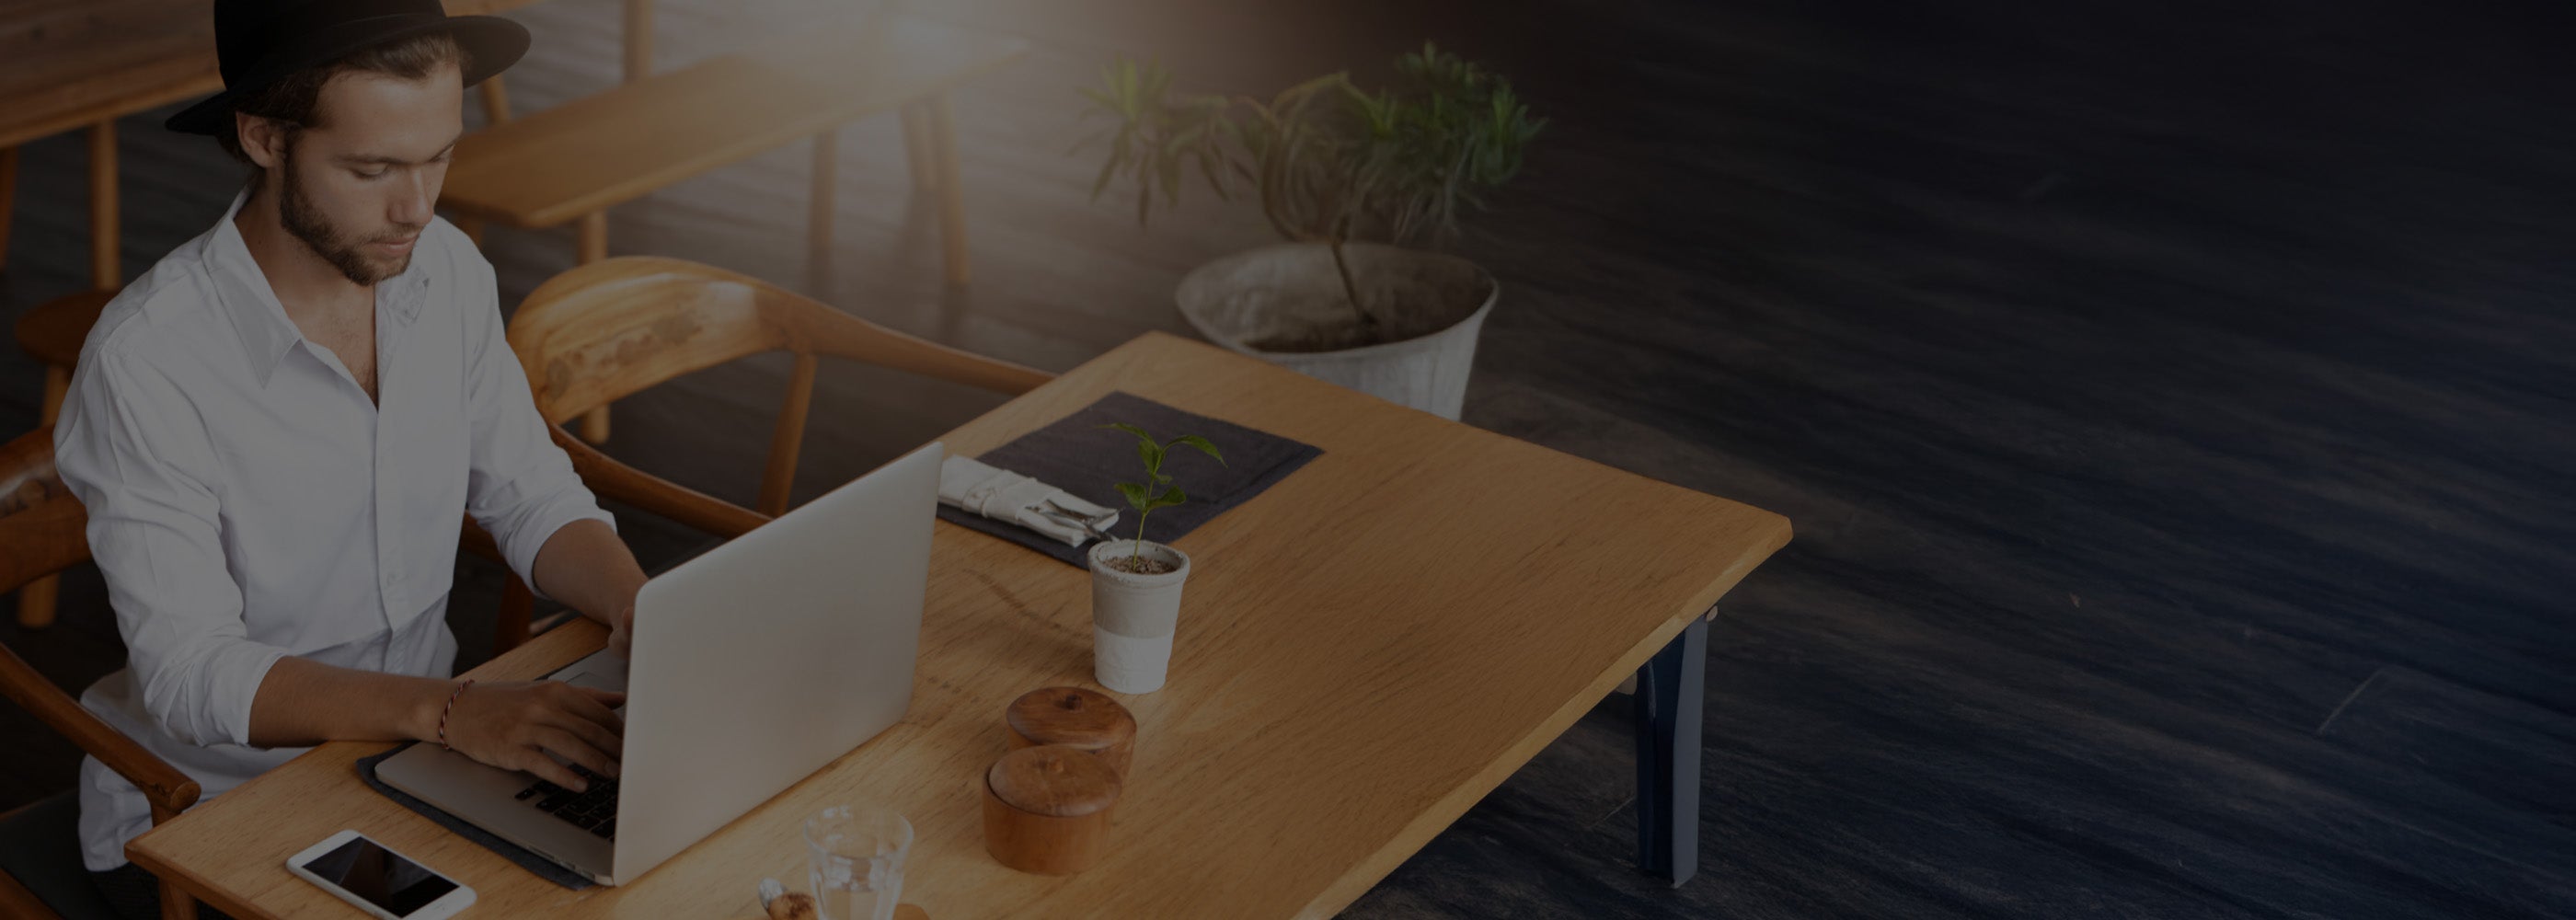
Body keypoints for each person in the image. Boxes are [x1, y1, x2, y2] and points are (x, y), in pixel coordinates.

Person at [52, 3, 645, 916]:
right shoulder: (149, 362)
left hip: (420, 756)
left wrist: (637, 606)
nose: (418, 207)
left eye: (438, 155)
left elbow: (529, 496)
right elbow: (188, 672)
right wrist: (446, 712)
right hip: (217, 806)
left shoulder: (446, 270)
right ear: (262, 137)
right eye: (371, 169)